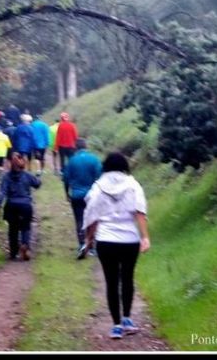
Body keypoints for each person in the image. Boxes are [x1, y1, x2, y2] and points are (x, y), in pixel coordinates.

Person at [81, 152, 150, 340]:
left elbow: (92, 215)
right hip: (129, 239)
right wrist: (145, 237)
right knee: (127, 278)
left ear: (106, 167)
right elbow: (140, 212)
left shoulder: (98, 187)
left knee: (111, 282)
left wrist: (88, 239)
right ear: (124, 166)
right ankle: (127, 318)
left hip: (106, 240)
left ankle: (116, 326)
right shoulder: (133, 185)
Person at [0, 153, 42, 261]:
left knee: (13, 229)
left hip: (11, 205)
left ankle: (13, 252)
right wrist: (38, 175)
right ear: (22, 163)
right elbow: (37, 184)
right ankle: (25, 245)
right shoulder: (27, 175)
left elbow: (2, 192)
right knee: (26, 227)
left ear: (11, 164)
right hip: (25, 205)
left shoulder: (6, 177)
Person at [62, 138, 102, 256]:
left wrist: (67, 193)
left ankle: (81, 244)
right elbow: (100, 177)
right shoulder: (94, 159)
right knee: (92, 219)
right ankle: (91, 246)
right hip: (92, 195)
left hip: (77, 195)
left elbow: (66, 179)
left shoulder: (71, 161)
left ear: (75, 148)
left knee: (79, 219)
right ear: (86, 147)